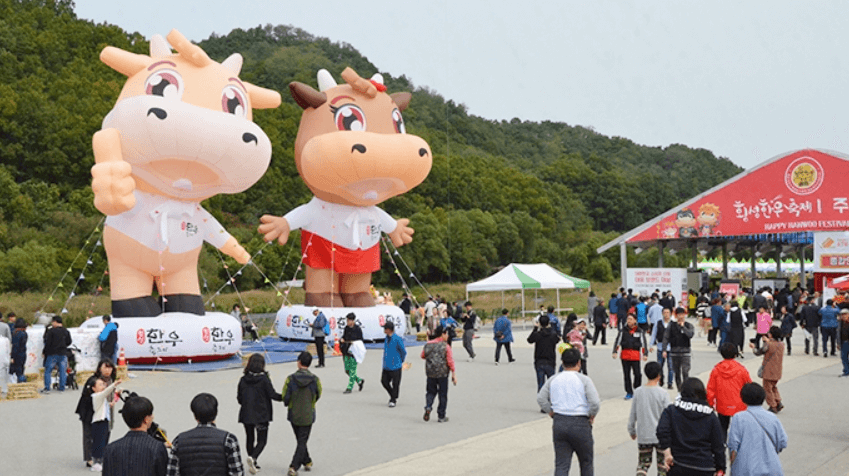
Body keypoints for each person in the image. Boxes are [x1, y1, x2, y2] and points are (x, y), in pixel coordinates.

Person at [537, 347, 601, 476]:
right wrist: (591, 415)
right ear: (579, 363)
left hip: (560, 421)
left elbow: (541, 398)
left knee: (562, 464)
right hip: (580, 422)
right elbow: (595, 402)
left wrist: (551, 411)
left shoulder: (554, 379)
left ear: (562, 362)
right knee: (586, 462)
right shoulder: (584, 380)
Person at [656, 378, 726, 476]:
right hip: (704, 467)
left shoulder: (671, 410)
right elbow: (718, 445)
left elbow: (662, 431)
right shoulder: (710, 416)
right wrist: (721, 467)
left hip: (679, 464)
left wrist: (667, 453)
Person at [167, 393, 244, 476]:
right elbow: (237, 473)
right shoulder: (229, 440)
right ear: (216, 413)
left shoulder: (179, 441)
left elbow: (172, 473)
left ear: (195, 416)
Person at [727, 383, 788, 476]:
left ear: (743, 398)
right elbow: (783, 442)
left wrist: (733, 465)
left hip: (745, 469)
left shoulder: (739, 418)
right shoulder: (772, 417)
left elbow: (733, 445)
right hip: (772, 468)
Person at [237, 353, 283, 474]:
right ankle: (253, 457)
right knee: (262, 440)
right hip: (262, 413)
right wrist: (285, 397)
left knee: (249, 438)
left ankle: (252, 461)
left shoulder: (243, 379)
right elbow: (272, 394)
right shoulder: (264, 379)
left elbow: (239, 399)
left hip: (246, 413)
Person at [102, 395, 168, 476]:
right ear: (146, 419)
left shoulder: (110, 449)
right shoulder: (157, 447)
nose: (153, 417)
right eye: (151, 415)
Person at [627, 362, 670, 476]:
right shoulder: (663, 393)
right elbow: (668, 415)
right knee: (662, 466)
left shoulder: (638, 392)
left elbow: (633, 414)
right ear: (659, 375)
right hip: (661, 435)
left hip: (644, 434)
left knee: (643, 464)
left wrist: (631, 430)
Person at [283, 351, 322, 476]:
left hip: (294, 413)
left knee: (300, 439)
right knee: (302, 440)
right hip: (308, 413)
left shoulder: (290, 379)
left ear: (299, 363)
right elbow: (318, 394)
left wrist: (287, 403)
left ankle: (299, 464)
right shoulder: (315, 379)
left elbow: (285, 396)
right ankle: (300, 463)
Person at [76, 360, 118, 468]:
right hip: (90, 411)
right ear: (99, 368)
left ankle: (101, 455)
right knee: (89, 435)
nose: (107, 370)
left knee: (105, 432)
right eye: (105, 367)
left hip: (107, 411)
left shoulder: (111, 379)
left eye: (110, 368)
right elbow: (88, 397)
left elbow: (111, 393)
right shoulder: (93, 380)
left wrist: (114, 399)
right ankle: (89, 458)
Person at [706, 343, 751, 436]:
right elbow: (749, 386)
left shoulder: (716, 369)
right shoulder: (741, 369)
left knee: (722, 428)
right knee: (739, 430)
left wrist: (710, 403)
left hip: (722, 404)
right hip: (739, 405)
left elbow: (710, 389)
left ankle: (722, 443)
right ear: (735, 354)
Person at [421, 325, 457, 423]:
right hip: (442, 373)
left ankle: (428, 406)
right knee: (442, 394)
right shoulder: (446, 346)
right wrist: (453, 373)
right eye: (446, 334)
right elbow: (450, 361)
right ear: (442, 334)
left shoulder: (428, 344)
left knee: (430, 392)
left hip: (430, 373)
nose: (448, 336)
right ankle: (441, 415)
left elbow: (423, 355)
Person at [90, 376, 123, 472]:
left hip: (104, 421)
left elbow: (106, 405)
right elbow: (106, 392)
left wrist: (117, 397)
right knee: (99, 442)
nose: (103, 386)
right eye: (100, 385)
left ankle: (101, 461)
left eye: (103, 384)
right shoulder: (96, 396)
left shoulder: (101, 398)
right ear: (94, 388)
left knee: (104, 441)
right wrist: (115, 384)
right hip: (98, 422)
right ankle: (96, 463)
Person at [612, 314, 648, 400]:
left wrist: (645, 354)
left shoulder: (639, 331)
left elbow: (643, 343)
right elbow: (618, 341)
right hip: (625, 355)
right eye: (628, 319)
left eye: (631, 319)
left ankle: (637, 388)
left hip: (635, 355)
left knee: (638, 374)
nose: (629, 321)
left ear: (635, 321)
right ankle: (629, 392)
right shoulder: (623, 331)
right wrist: (615, 351)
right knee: (626, 374)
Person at [751, 326, 785, 413]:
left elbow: (759, 352)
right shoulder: (781, 344)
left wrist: (753, 347)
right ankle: (778, 402)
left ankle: (773, 405)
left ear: (771, 334)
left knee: (767, 389)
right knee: (773, 387)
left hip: (768, 370)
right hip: (778, 370)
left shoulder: (768, 344)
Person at [662, 307, 694, 391]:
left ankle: (686, 389)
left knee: (685, 372)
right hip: (674, 352)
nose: (681, 316)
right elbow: (666, 337)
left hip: (685, 352)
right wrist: (664, 349)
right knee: (677, 372)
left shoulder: (688, 325)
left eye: (682, 314)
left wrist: (683, 327)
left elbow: (690, 335)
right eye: (679, 315)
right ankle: (679, 389)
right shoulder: (671, 325)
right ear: (676, 316)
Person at [528, 314, 560, 391]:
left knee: (541, 385)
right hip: (550, 361)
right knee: (551, 385)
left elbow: (529, 340)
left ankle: (541, 397)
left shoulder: (537, 335)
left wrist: (535, 328)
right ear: (548, 323)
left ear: (539, 323)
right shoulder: (553, 335)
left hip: (539, 361)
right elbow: (557, 339)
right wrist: (551, 328)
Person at [42, 315, 72, 393]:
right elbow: (69, 341)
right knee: (62, 371)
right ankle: (62, 387)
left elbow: (48, 343)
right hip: (63, 353)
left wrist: (44, 352)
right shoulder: (66, 331)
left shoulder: (51, 331)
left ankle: (47, 388)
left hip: (52, 353)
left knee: (48, 371)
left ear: (55, 322)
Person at [381, 320, 406, 407]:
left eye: (385, 328)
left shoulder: (397, 339)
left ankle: (393, 399)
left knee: (395, 383)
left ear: (389, 329)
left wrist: (400, 360)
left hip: (396, 365)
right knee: (384, 381)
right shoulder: (386, 338)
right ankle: (393, 395)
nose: (384, 330)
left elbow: (403, 351)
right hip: (386, 365)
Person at [339, 313, 365, 394]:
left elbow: (360, 340)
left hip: (354, 352)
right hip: (346, 350)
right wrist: (342, 339)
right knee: (347, 370)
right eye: (347, 320)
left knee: (353, 370)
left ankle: (349, 387)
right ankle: (359, 380)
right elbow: (344, 336)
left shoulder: (357, 329)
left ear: (353, 321)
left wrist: (353, 342)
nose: (347, 322)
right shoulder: (346, 328)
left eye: (349, 320)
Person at [649, 307, 674, 389]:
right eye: (665, 312)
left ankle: (670, 383)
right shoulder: (658, 323)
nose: (666, 314)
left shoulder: (673, 324)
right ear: (662, 314)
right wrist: (651, 345)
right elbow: (654, 334)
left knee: (671, 367)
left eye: (668, 312)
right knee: (659, 366)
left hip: (671, 347)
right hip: (660, 346)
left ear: (670, 314)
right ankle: (661, 379)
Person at [10, 318, 28, 382]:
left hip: (17, 354)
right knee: (21, 369)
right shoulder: (25, 333)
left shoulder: (17, 334)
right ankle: (23, 381)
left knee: (17, 370)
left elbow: (15, 346)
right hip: (23, 353)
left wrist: (12, 357)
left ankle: (21, 381)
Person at [839, 309, 849, 377]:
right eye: (842, 314)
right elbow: (838, 333)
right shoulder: (840, 322)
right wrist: (838, 343)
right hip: (843, 342)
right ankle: (846, 371)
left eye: (845, 314)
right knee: (843, 357)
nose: (844, 316)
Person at [0, 325, 9, 399]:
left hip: (3, 359)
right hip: (4, 359)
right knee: (3, 374)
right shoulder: (6, 340)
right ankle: (4, 389)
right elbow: (8, 351)